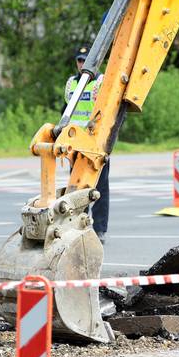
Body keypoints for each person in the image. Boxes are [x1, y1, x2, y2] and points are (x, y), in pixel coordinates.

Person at [64, 45, 110, 244]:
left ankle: (100, 229)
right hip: (77, 142)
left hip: (96, 141)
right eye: (80, 60)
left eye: (85, 60)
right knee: (76, 185)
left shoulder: (100, 82)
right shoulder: (71, 83)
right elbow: (67, 110)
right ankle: (79, 225)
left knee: (100, 186)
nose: (82, 64)